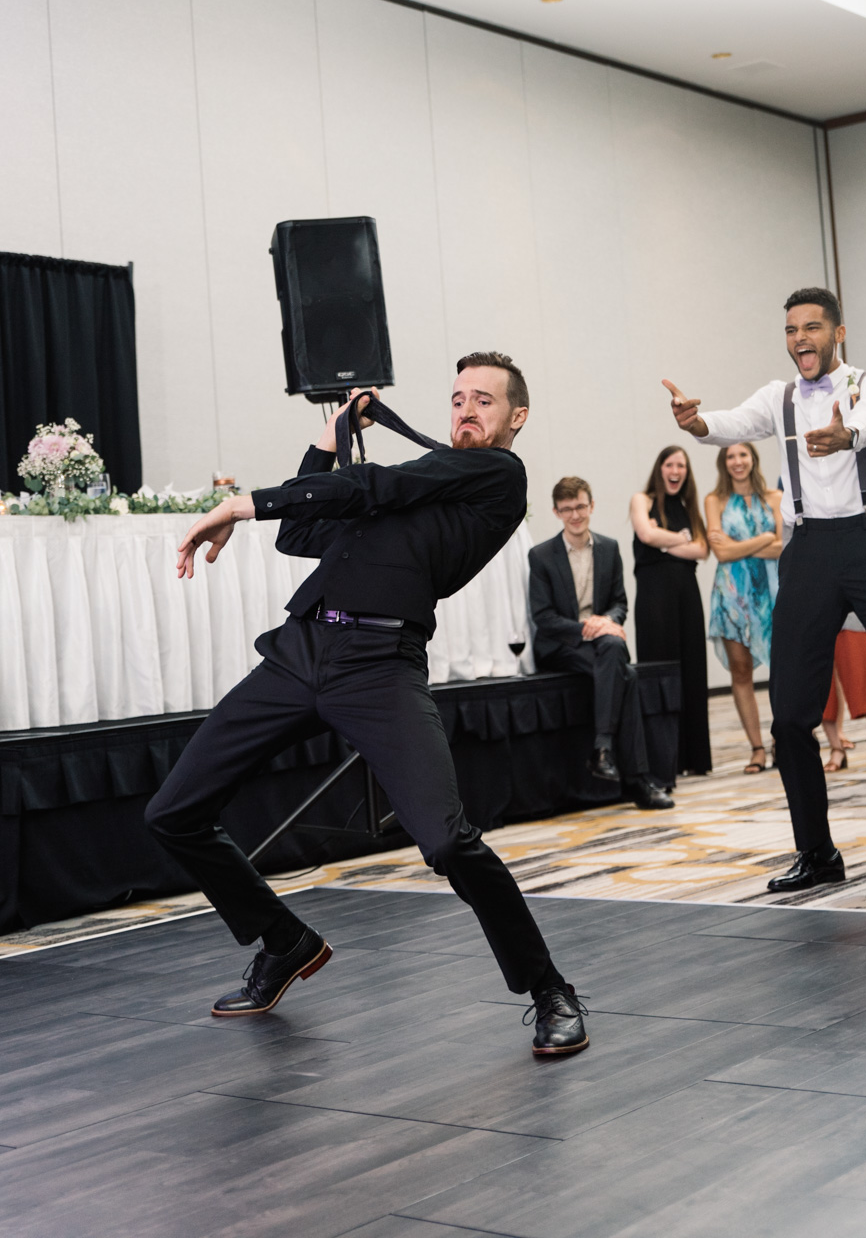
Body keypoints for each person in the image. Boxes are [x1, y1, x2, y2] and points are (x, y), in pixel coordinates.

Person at [145, 353, 588, 1060]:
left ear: (516, 417)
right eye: (456, 398)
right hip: (302, 651)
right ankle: (284, 940)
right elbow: (301, 534)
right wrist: (327, 440)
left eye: (483, 400)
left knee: (446, 841)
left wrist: (239, 503)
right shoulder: (401, 491)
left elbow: (377, 481)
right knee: (173, 813)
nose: (466, 410)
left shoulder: (497, 478)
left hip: (380, 666)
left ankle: (550, 990)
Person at [664, 285, 866, 891]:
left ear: (838, 332)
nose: (799, 339)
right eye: (790, 331)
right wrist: (695, 421)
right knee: (789, 717)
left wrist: (845, 435)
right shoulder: (777, 398)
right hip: (809, 552)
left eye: (810, 328)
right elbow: (729, 424)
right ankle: (817, 852)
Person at [528, 476, 674, 810]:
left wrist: (606, 622)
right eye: (567, 509)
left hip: (603, 644)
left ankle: (604, 749)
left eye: (580, 506)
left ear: (591, 506)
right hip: (561, 646)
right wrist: (588, 626)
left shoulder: (609, 548)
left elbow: (620, 603)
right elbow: (544, 618)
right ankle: (637, 781)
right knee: (626, 673)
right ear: (556, 512)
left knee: (617, 657)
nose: (575, 515)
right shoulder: (541, 556)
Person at [630, 447, 711, 776]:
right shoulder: (642, 500)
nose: (675, 470)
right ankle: (664, 759)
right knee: (660, 671)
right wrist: (679, 540)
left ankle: (694, 758)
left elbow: (703, 549)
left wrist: (663, 542)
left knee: (692, 671)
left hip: (687, 597)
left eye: (682, 465)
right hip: (654, 598)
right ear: (660, 468)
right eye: (670, 464)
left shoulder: (689, 507)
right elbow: (645, 533)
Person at [704, 443, 782, 774]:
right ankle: (757, 749)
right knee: (741, 671)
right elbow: (720, 554)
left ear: (753, 459)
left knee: (782, 670)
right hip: (731, 597)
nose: (737, 462)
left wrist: (739, 546)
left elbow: (782, 546)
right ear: (724, 463)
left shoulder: (774, 498)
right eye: (730, 457)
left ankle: (783, 741)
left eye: (742, 455)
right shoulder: (714, 500)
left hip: (771, 594)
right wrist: (763, 538)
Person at [821, 626, 866, 772]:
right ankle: (836, 748)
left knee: (862, 666)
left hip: (851, 616)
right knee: (820, 677)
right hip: (812, 611)